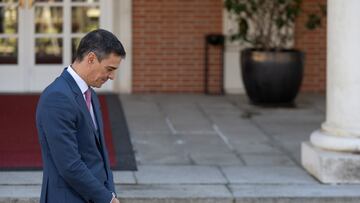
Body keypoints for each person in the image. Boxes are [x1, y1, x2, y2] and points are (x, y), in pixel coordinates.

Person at [36, 29, 126, 203]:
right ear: (91, 58)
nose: (112, 76)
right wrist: (106, 198)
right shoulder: (57, 98)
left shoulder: (89, 94)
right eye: (109, 69)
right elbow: (69, 165)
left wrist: (110, 192)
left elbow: (99, 154)